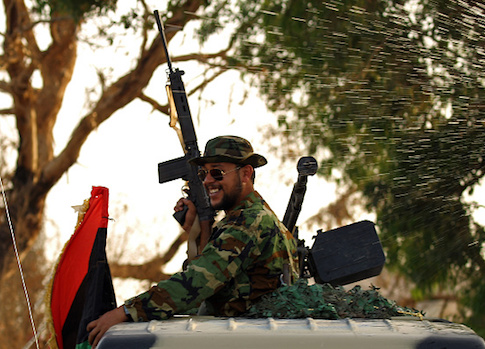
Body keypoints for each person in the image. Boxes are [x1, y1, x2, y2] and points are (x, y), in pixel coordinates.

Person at [87, 135, 298, 347]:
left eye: (217, 172)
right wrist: (196, 230)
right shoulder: (250, 217)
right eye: (203, 173)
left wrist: (126, 311)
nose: (207, 181)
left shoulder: (249, 221)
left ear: (245, 173)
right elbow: (213, 279)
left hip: (247, 337)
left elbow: (196, 283)